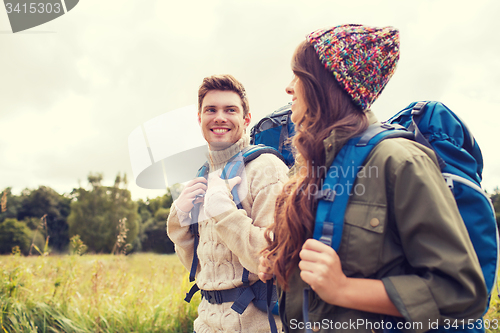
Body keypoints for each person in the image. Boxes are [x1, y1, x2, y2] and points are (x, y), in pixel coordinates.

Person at [258, 24, 487, 332]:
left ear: (328, 86)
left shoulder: (401, 161)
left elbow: (462, 293)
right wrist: (279, 262)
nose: (289, 88)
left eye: (299, 75)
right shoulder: (312, 167)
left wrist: (343, 289)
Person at [167, 74, 288, 332]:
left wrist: (222, 210)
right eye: (211, 109)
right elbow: (200, 268)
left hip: (256, 325)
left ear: (246, 119)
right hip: (206, 323)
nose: (219, 117)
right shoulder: (202, 175)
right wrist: (178, 218)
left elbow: (272, 260)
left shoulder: (267, 169)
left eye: (230, 110)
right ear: (200, 118)